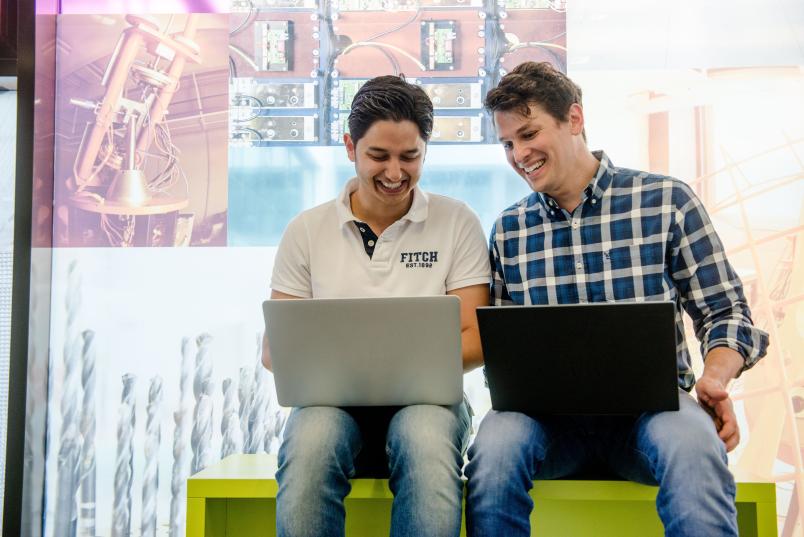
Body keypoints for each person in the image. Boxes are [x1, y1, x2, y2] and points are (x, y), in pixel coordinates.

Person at [464, 61, 770, 537]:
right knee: (495, 447)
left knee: (692, 445)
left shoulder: (666, 200)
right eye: (508, 144)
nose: (519, 154)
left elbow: (726, 312)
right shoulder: (509, 229)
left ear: (574, 119)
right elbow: (505, 351)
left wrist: (715, 377)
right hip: (549, 428)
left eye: (528, 134)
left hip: (653, 417)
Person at [263, 75, 490, 537]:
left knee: (425, 438)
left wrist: (395, 371)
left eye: (410, 157)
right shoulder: (306, 231)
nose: (394, 173)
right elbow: (276, 350)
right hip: (329, 409)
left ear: (425, 151)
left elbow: (476, 337)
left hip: (428, 405)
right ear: (350, 147)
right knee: (310, 444)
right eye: (378, 156)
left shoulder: (457, 222)